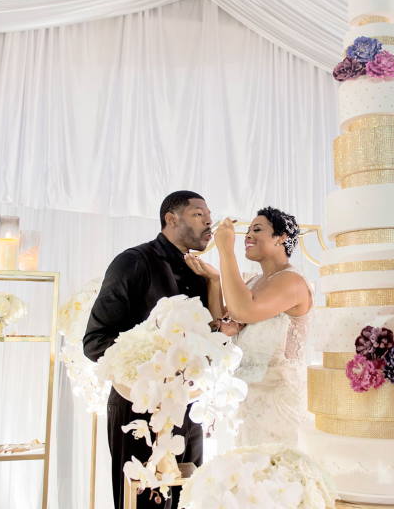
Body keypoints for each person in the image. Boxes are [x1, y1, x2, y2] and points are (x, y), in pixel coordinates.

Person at [83, 190, 214, 509]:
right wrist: (149, 374)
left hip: (188, 411)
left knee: (187, 501)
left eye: (210, 215)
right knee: (142, 505)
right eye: (199, 214)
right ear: (172, 219)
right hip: (136, 409)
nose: (209, 221)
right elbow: (95, 341)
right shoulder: (132, 262)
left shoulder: (202, 274)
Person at [183, 206, 312, 447]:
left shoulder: (292, 281)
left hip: (278, 403)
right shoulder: (253, 281)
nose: (248, 236)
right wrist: (214, 282)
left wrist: (225, 250)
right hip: (244, 400)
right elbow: (221, 323)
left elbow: (244, 310)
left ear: (282, 237)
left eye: (258, 229)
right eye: (248, 230)